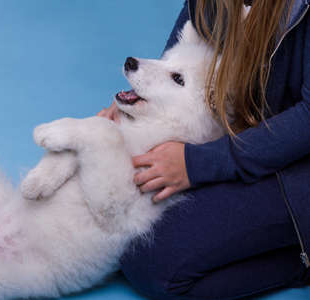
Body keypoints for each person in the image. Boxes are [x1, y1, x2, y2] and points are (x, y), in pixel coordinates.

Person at [98, 0, 310, 299]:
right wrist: (141, 99)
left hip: (298, 169)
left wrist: (199, 163)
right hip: (251, 143)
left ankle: (298, 257)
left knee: (151, 261)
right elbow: (186, 47)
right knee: (119, 232)